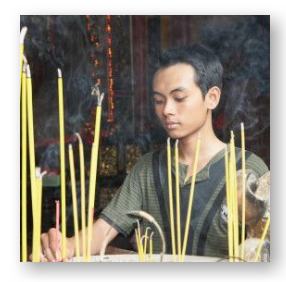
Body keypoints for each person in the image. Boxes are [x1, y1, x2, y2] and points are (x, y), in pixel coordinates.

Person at [38, 44, 269, 262]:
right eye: (159, 100)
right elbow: (103, 231)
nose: (167, 110)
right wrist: (65, 245)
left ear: (212, 97)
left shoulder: (248, 169)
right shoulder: (147, 169)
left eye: (179, 98)